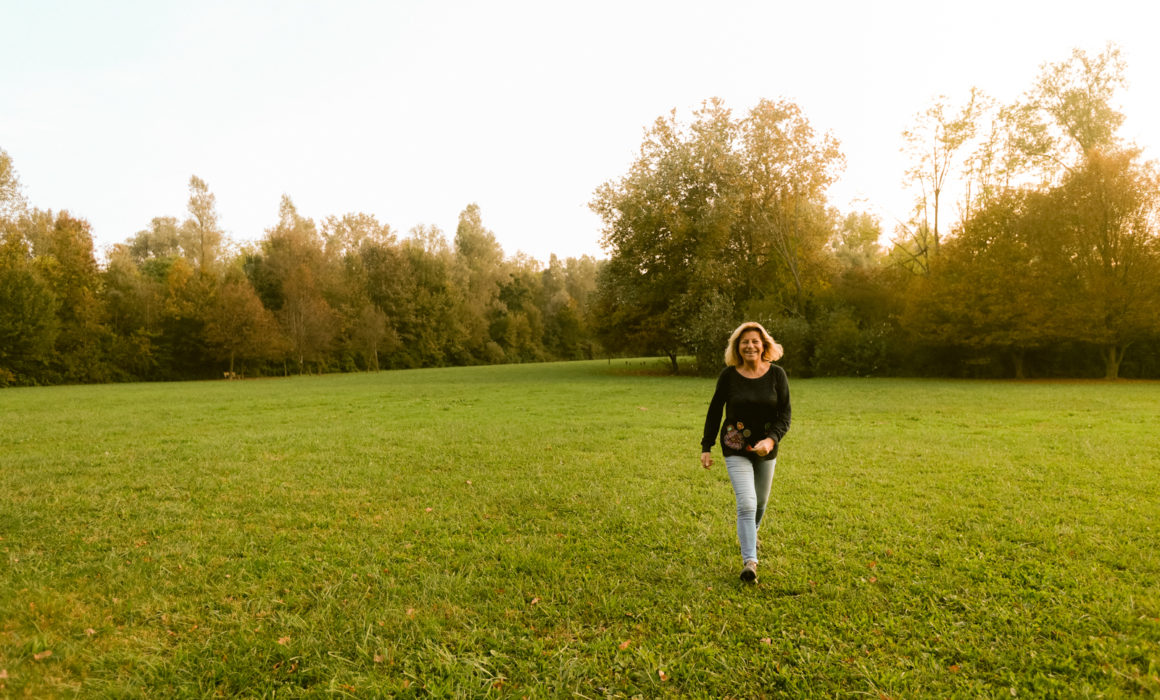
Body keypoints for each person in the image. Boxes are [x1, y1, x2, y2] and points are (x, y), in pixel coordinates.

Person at [700, 321, 791, 583]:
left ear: (763, 345)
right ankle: (750, 561)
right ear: (737, 347)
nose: (750, 345)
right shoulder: (728, 375)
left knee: (760, 503)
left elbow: (785, 415)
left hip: (766, 449)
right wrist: (707, 446)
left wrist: (771, 441)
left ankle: (751, 532)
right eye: (744, 341)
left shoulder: (777, 375)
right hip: (735, 446)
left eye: (755, 341)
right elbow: (715, 411)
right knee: (747, 503)